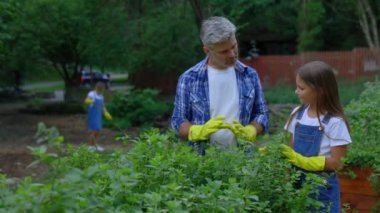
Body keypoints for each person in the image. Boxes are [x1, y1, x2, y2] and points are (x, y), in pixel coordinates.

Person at [171, 16, 269, 154]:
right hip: (203, 162)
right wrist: (196, 131)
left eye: (234, 46)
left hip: (243, 161)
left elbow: (261, 114)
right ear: (207, 51)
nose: (232, 54)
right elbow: (178, 121)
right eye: (224, 51)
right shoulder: (189, 78)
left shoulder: (249, 75)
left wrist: (252, 129)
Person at [282, 61, 352, 212]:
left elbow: (338, 163)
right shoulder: (297, 114)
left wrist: (306, 162)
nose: (296, 91)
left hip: (322, 188)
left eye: (301, 88)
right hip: (297, 183)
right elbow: (291, 150)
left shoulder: (334, 122)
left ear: (320, 90)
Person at [84, 81, 112, 152]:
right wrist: (90, 101)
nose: (102, 90)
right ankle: (90, 146)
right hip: (92, 115)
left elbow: (102, 106)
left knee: (98, 131)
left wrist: (106, 113)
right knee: (94, 131)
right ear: (98, 88)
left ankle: (94, 145)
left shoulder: (101, 96)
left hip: (98, 115)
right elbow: (86, 100)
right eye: (101, 89)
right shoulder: (92, 94)